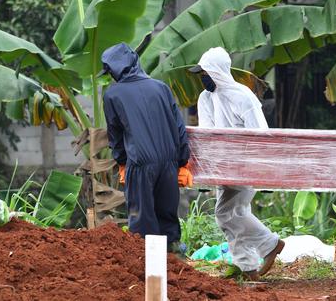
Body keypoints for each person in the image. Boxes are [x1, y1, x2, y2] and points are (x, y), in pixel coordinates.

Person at [189, 47, 284, 281]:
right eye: (201, 74)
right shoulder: (206, 98)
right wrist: (207, 169)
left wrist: (263, 168)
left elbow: (261, 134)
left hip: (245, 164)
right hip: (222, 167)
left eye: (206, 73)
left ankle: (270, 244)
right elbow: (206, 134)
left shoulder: (243, 96)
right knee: (234, 214)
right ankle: (247, 267)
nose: (203, 79)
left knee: (225, 214)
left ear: (218, 72)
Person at [101, 42, 190, 252]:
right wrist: (182, 162)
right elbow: (179, 127)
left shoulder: (113, 95)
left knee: (142, 222)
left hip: (140, 163)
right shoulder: (161, 88)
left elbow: (116, 134)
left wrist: (122, 163)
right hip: (169, 163)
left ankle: (145, 272)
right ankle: (176, 268)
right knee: (167, 218)